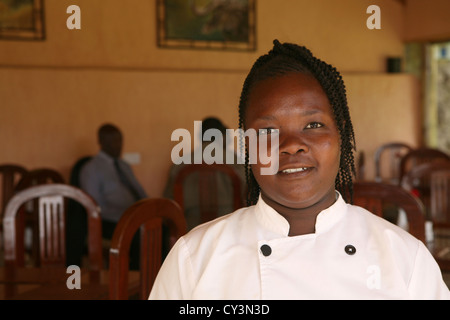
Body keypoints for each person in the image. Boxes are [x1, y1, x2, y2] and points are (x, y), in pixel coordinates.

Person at [149, 40, 450, 299]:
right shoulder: (193, 260)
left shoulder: (405, 260)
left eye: (314, 125)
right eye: (267, 131)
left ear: (342, 135)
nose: (292, 145)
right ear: (245, 146)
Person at [79, 123, 148, 269]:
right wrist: (124, 215)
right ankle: (135, 281)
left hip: (134, 216)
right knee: (139, 237)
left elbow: (140, 192)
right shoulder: (91, 169)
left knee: (163, 230)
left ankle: (159, 277)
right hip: (109, 221)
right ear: (101, 142)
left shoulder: (124, 166)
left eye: (119, 140)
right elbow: (94, 207)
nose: (118, 145)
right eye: (112, 141)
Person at [163, 116, 246, 231]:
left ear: (200, 136)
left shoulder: (180, 164)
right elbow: (249, 194)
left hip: (190, 228)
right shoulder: (236, 161)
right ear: (222, 136)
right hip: (229, 228)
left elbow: (168, 201)